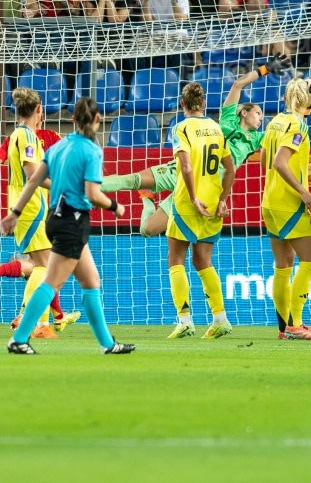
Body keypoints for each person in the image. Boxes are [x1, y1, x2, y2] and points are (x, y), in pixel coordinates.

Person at [100, 55, 290, 236]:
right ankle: (87, 185)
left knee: (148, 230)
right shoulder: (226, 119)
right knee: (131, 180)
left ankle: (147, 199)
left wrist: (296, 105)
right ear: (244, 113)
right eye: (257, 112)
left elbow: (286, 139)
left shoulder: (257, 139)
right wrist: (266, 69)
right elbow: (238, 84)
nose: (261, 118)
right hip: (183, 170)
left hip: (203, 187)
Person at [2, 97, 134, 356]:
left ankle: (108, 344)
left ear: (73, 119)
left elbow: (32, 182)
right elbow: (93, 193)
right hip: (72, 221)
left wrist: (14, 213)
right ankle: (19, 338)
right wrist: (115, 206)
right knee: (50, 280)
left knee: (91, 280)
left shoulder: (57, 148)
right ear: (97, 120)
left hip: (54, 217)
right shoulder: (91, 150)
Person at [4, 92, 80, 337]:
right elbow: (32, 174)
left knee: (41, 265)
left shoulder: (21, 135)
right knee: (46, 267)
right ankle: (37, 324)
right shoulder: (25, 135)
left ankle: (32, 320)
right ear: (38, 109)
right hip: (30, 208)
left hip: (26, 208)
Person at [165, 83, 236, 340]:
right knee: (203, 262)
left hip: (189, 200)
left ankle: (184, 320)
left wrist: (194, 197)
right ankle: (220, 318)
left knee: (176, 260)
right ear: (203, 103)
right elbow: (231, 168)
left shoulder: (181, 128)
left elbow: (185, 167)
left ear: (182, 104)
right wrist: (223, 199)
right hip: (213, 200)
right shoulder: (216, 128)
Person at [260, 77, 311, 341]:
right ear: (306, 99)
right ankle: (296, 323)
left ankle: (282, 328)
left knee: (283, 266)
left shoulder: (275, 121)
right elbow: (279, 162)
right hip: (289, 203)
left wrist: (302, 168)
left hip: (270, 202)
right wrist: (303, 190)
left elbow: (265, 159)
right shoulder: (299, 124)